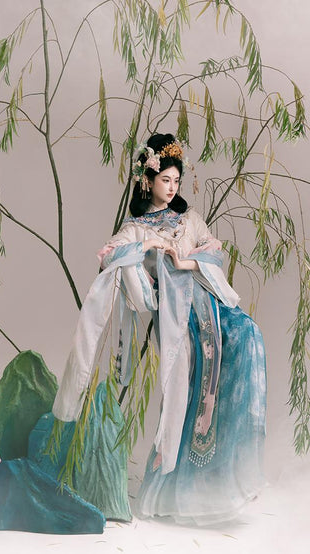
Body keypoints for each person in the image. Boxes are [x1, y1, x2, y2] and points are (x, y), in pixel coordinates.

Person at [52, 133, 266, 526]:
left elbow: (214, 252)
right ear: (147, 180)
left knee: (249, 336)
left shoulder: (189, 219)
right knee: (186, 386)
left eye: (176, 181)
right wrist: (147, 247)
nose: (171, 187)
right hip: (173, 317)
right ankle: (177, 484)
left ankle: (225, 470)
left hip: (208, 305)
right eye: (165, 179)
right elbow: (109, 256)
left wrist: (183, 262)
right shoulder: (135, 227)